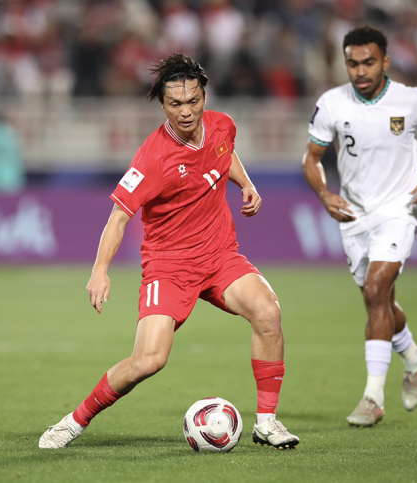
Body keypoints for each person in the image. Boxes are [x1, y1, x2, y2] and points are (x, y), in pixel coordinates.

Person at [39, 53, 300, 450]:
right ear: (162, 104)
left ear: (204, 96)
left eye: (193, 101)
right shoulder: (152, 158)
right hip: (169, 267)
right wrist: (100, 269)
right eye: (175, 104)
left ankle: (267, 422)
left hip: (219, 256)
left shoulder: (222, 125)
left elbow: (224, 152)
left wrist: (245, 183)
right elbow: (118, 218)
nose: (186, 111)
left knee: (268, 310)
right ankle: (74, 421)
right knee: (148, 361)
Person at [302, 26, 417, 427]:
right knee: (380, 302)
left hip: (400, 207)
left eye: (368, 62)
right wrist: (324, 194)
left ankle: (372, 398)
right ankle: (415, 358)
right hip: (353, 215)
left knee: (375, 290)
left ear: (385, 61)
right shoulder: (332, 104)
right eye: (352, 63)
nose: (360, 71)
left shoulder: (412, 100)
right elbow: (312, 158)